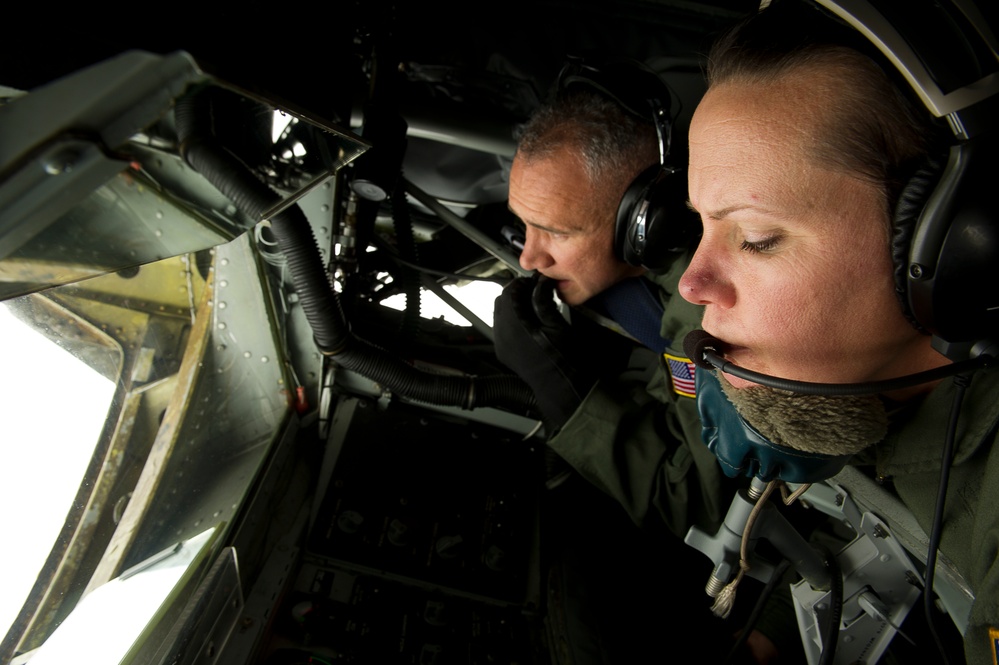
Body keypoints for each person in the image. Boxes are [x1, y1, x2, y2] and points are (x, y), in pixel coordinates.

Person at [678, 1, 999, 663]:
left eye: (756, 238)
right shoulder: (863, 392)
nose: (690, 284)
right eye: (701, 228)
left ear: (952, 242)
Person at [493, 58, 753, 663]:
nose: (530, 256)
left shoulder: (706, 311)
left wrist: (569, 395)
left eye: (555, 231)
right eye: (522, 226)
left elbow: (697, 500)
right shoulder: (633, 287)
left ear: (645, 222)